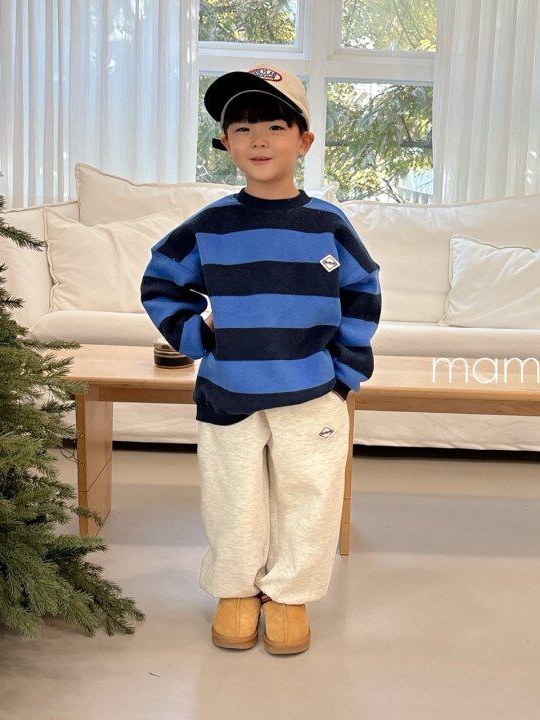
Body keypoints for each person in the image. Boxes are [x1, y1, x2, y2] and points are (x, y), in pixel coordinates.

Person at [140, 62, 382, 655]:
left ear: (304, 141)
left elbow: (363, 290)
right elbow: (161, 281)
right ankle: (236, 588)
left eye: (274, 126)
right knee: (232, 495)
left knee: (310, 494)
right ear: (225, 143)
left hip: (314, 392)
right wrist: (195, 340)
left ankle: (291, 593)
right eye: (242, 128)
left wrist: (345, 373)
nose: (258, 140)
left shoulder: (328, 224)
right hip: (228, 392)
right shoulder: (210, 225)